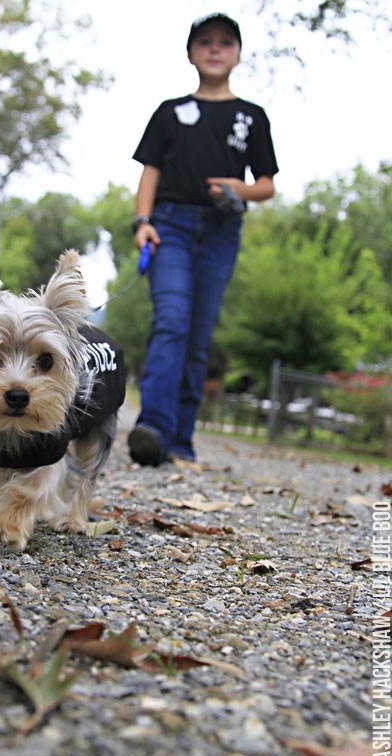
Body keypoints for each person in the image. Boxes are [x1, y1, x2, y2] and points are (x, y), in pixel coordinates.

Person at [128, 12, 279, 466]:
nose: (215, 48)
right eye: (206, 42)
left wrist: (238, 189)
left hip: (220, 231)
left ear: (237, 53)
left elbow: (267, 184)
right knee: (171, 321)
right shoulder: (170, 112)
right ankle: (151, 426)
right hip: (169, 226)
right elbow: (149, 172)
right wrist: (142, 222)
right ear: (191, 53)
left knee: (197, 335)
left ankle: (180, 441)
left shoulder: (251, 117)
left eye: (225, 42)